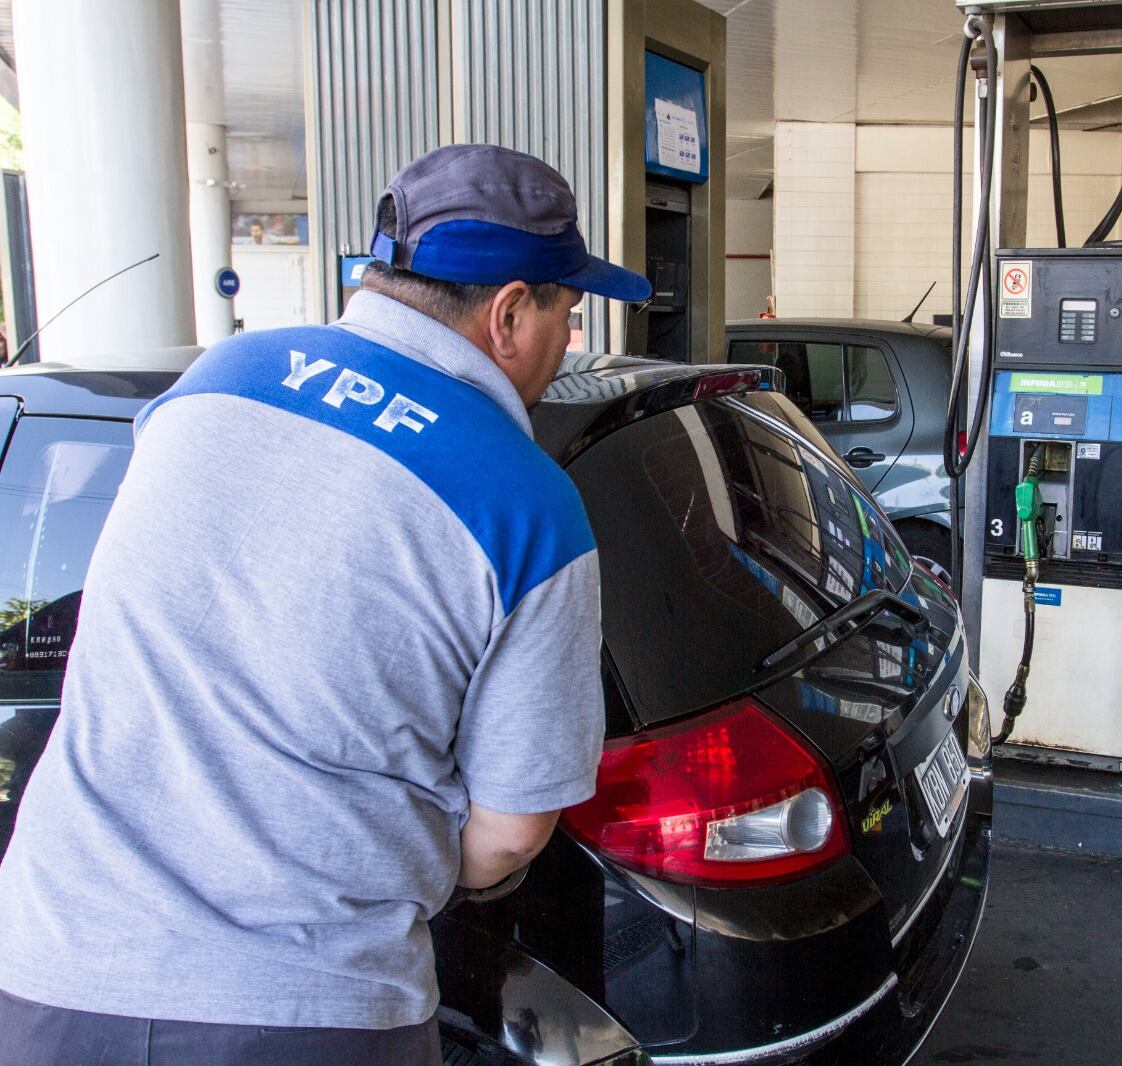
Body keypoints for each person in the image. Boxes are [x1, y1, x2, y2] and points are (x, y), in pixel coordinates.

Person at [0, 144, 650, 1065]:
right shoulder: (527, 504)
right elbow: (507, 836)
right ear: (509, 314)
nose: (567, 343)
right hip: (309, 1009)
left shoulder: (212, 381)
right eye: (566, 314)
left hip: (49, 976)